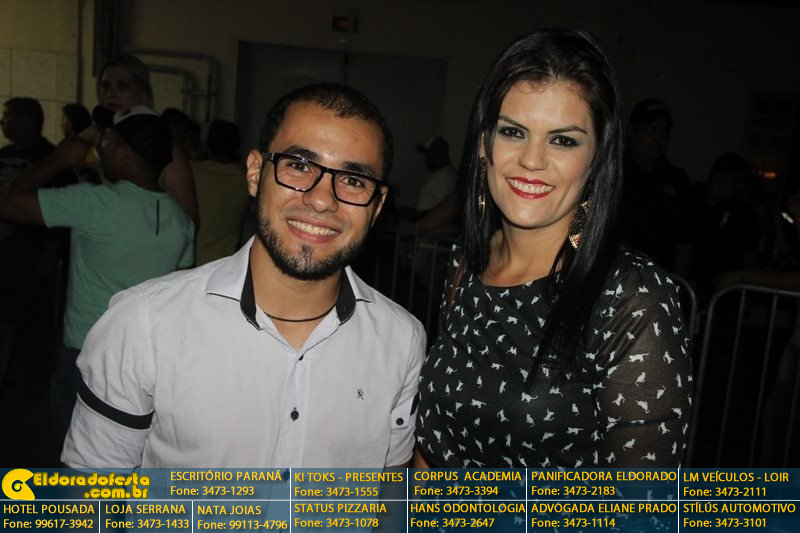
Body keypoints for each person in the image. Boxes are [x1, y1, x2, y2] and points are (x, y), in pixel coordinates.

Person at [60, 83, 426, 468]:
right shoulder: (143, 326)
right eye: (299, 165)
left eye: (353, 180)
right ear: (255, 172)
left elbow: (390, 489)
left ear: (377, 206)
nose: (321, 199)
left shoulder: (401, 342)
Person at [414, 29, 693, 469]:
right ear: (485, 144)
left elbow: (642, 498)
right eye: (513, 132)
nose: (532, 160)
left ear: (597, 159)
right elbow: (434, 444)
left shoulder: (632, 298)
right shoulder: (467, 260)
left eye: (563, 140)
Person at [0, 105, 195, 446]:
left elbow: (8, 200)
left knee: (79, 462)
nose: (100, 147)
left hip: (86, 359)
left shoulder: (94, 204)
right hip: (145, 364)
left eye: (107, 140)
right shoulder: (182, 221)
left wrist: (61, 157)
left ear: (122, 152)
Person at [80, 55, 198, 223]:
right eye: (105, 86)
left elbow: (190, 222)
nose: (111, 94)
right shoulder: (89, 137)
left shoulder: (165, 148)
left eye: (123, 86)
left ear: (142, 92)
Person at [621, 98, 693, 275]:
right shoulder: (611, 173)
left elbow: (685, 241)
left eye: (664, 131)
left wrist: (677, 284)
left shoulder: (677, 179)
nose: (658, 138)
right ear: (631, 132)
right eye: (650, 130)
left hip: (659, 279)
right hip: (612, 276)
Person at [192, 120, 250, 265]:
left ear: (207, 145)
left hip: (193, 260)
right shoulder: (247, 178)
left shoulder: (193, 171)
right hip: (226, 262)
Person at [415, 136, 457, 214]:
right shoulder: (442, 174)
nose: (427, 159)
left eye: (429, 154)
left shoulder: (446, 178)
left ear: (439, 154)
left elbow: (448, 211)